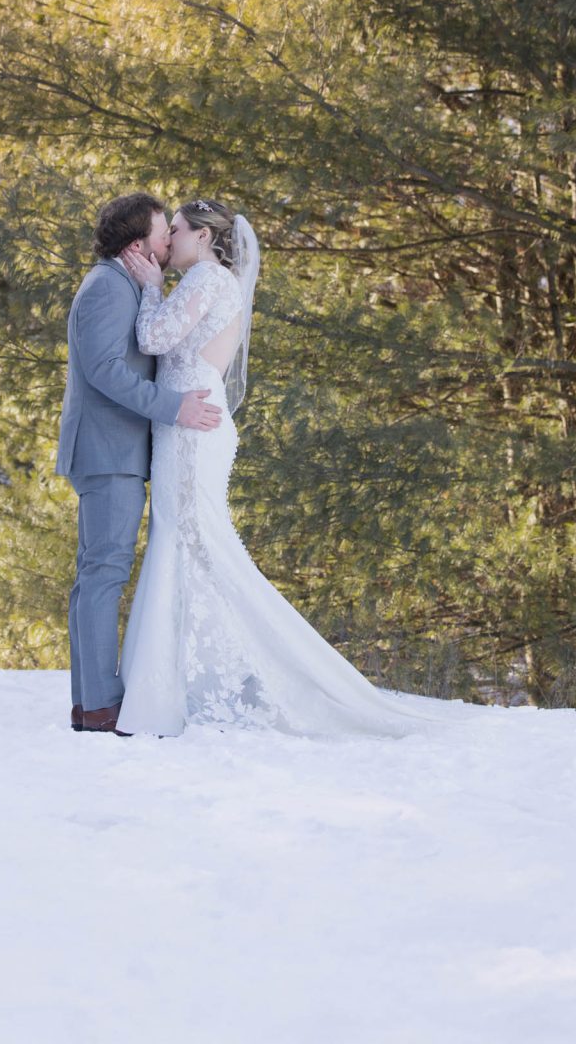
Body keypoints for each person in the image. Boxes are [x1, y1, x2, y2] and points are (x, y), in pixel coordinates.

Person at [114, 197, 451, 739]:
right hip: (186, 425)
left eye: (174, 230)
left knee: (194, 544)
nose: (166, 240)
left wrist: (150, 288)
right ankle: (173, 686)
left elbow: (153, 339)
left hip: (192, 433)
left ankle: (245, 680)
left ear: (202, 236)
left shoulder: (205, 280)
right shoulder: (209, 281)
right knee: (181, 544)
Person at [56, 192, 223, 733]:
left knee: (96, 577)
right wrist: (173, 406)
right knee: (103, 575)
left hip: (116, 452)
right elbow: (105, 370)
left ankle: (92, 703)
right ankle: (101, 705)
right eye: (161, 232)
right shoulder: (108, 286)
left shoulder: (124, 284)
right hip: (109, 453)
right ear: (138, 244)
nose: (167, 241)